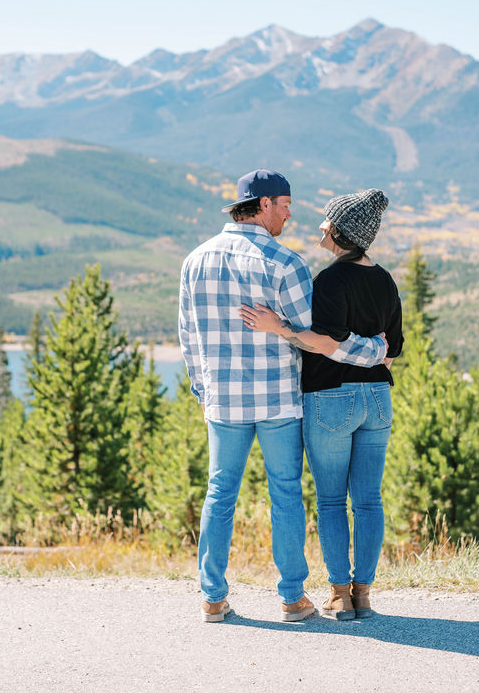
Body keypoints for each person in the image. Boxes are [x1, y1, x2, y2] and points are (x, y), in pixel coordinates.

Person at [178, 169, 388, 624]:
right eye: (287, 205)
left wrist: (203, 390)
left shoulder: (195, 260)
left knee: (219, 493)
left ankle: (213, 597)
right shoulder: (285, 264)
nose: (291, 215)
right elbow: (312, 336)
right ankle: (292, 598)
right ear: (265, 204)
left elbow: (188, 338)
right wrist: (375, 351)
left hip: (225, 402)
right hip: (277, 400)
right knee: (286, 493)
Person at [239, 188, 402, 621]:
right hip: (378, 397)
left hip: (331, 397)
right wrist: (371, 350)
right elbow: (391, 350)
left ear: (340, 229)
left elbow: (323, 342)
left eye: (326, 221)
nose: (319, 226)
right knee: (369, 500)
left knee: (331, 501)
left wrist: (279, 328)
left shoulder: (329, 280)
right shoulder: (385, 279)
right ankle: (364, 592)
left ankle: (339, 594)